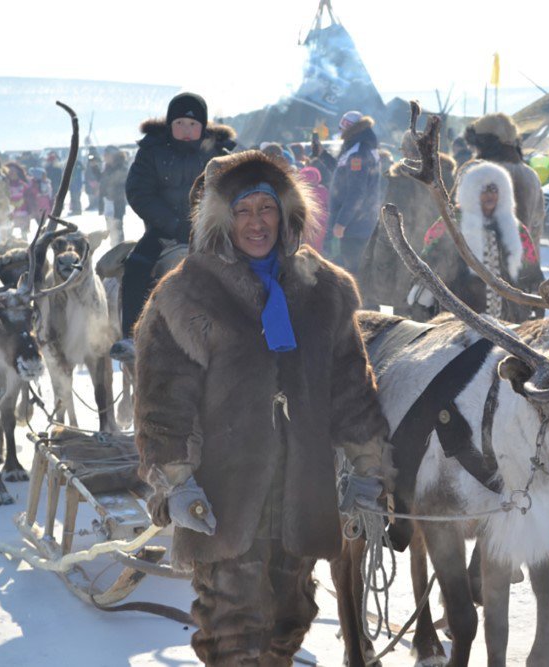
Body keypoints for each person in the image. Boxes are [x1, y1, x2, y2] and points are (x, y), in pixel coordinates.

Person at [133, 149, 393, 665]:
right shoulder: (187, 293)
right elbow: (162, 401)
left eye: (266, 209)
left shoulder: (326, 290)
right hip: (224, 495)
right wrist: (176, 480)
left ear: (287, 213)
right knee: (233, 631)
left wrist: (368, 467)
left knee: (290, 621)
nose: (256, 222)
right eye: (243, 210)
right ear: (223, 219)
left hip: (303, 486)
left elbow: (351, 385)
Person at [110, 92, 236, 361]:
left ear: (202, 126)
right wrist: (171, 223)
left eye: (192, 124)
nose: (186, 130)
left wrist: (211, 221)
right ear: (170, 125)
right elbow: (139, 192)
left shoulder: (219, 154)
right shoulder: (151, 152)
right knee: (136, 267)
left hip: (211, 231)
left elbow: (233, 191)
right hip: (162, 232)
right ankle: (132, 336)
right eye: (180, 124)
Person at [408, 161, 542, 323]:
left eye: (494, 190)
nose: (490, 195)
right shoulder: (451, 222)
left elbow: (529, 266)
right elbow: (432, 257)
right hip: (461, 306)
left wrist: (535, 295)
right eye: (483, 190)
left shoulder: (514, 227)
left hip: (507, 311)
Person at [358, 130, 457, 315]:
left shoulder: (402, 181)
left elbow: (389, 228)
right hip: (441, 259)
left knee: (407, 324)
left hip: (407, 262)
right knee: (438, 319)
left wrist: (380, 265)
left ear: (409, 152)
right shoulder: (447, 177)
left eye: (404, 149)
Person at [459, 112, 546, 253]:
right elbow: (536, 226)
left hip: (481, 264)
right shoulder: (531, 175)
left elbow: (455, 218)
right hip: (520, 263)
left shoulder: (476, 172)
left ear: (482, 143)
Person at [326, 110, 381, 276]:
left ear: (349, 128)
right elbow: (343, 175)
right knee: (358, 272)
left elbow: (357, 192)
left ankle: (358, 302)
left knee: (353, 273)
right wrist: (322, 156)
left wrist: (341, 222)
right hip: (361, 222)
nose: (341, 133)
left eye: (342, 129)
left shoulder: (357, 152)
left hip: (355, 226)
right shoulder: (361, 148)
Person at [100, 147, 129, 243]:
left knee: (117, 228)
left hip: (117, 203)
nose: (104, 157)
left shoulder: (121, 167)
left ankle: (120, 251)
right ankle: (114, 249)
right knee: (110, 229)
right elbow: (103, 182)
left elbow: (120, 183)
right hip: (108, 202)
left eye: (106, 155)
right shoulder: (107, 167)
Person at [298, 165, 328, 252]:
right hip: (321, 224)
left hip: (306, 224)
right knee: (317, 248)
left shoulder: (301, 191)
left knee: (305, 247)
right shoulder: (323, 190)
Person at [4, 161, 34, 238]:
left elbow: (29, 197)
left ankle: (25, 247)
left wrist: (29, 209)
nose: (13, 174)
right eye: (10, 173)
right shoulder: (4, 185)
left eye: (14, 172)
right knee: (8, 234)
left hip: (23, 211)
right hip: (9, 212)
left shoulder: (23, 184)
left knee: (24, 234)